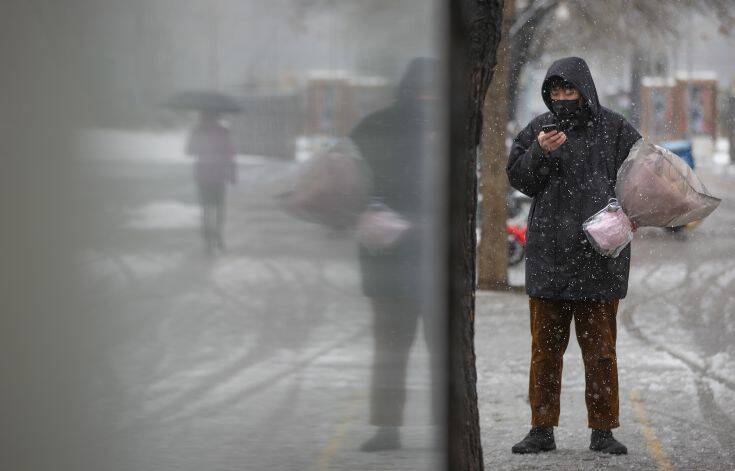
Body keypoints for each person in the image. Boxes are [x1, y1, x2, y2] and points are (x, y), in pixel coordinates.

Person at [506, 57, 641, 455]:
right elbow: (520, 179)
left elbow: (642, 176)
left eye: (570, 90)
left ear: (586, 89)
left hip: (600, 258)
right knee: (545, 351)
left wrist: (629, 214)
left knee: (600, 351)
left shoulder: (614, 128)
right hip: (549, 258)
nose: (563, 98)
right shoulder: (538, 129)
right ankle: (541, 428)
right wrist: (540, 154)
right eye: (556, 91)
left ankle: (603, 430)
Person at [350, 57, 441, 452]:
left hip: (385, 259)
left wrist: (372, 211)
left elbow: (347, 188)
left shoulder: (372, 128)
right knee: (439, 350)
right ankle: (440, 427)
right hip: (431, 262)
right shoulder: (445, 130)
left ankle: (387, 427)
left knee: (389, 350)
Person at [186, 111, 237, 253]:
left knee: (206, 207)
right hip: (219, 173)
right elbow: (230, 153)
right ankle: (218, 236)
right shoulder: (223, 132)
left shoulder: (197, 131)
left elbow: (189, 151)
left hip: (203, 173)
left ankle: (207, 237)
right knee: (219, 207)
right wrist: (232, 174)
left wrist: (199, 147)